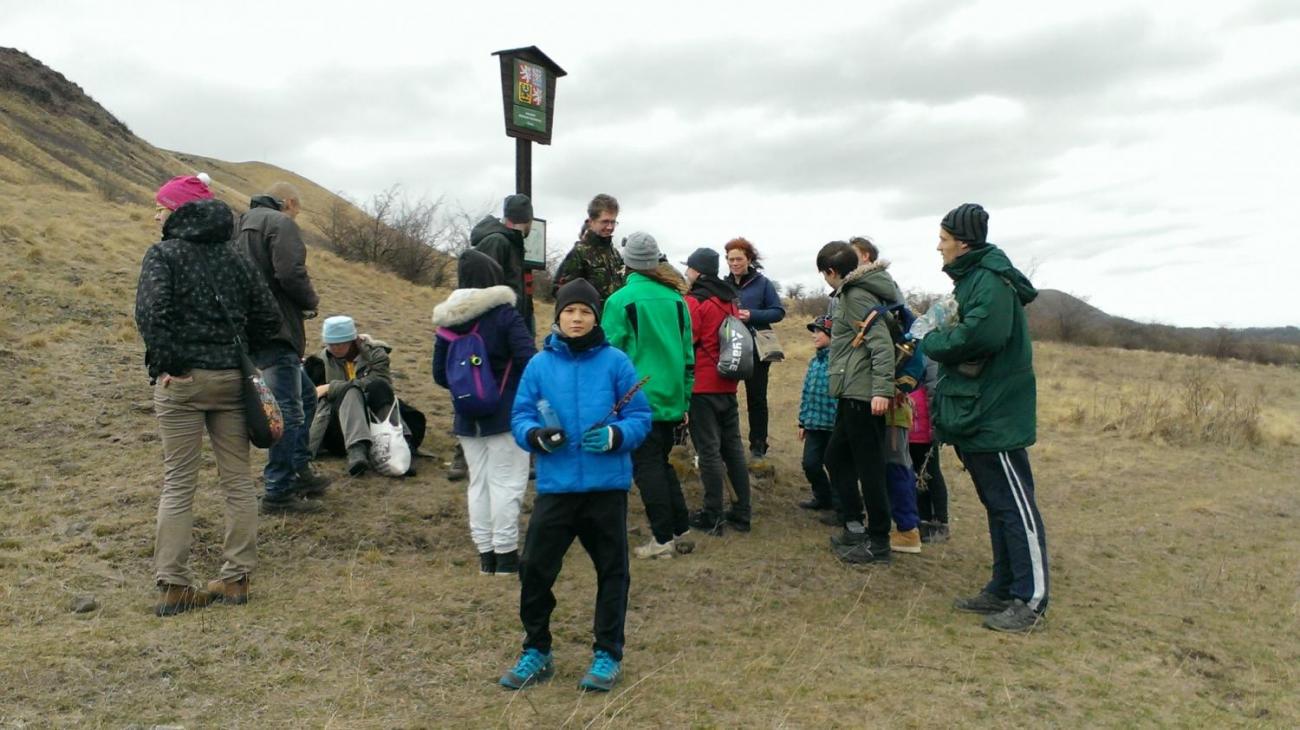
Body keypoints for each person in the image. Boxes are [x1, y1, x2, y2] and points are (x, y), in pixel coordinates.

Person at [135, 175, 281, 616]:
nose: (155, 213)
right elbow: (268, 317)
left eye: (161, 206)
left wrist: (170, 364)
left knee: (179, 482)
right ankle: (237, 579)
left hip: (182, 383)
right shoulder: (234, 257)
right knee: (238, 481)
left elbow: (150, 314)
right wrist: (239, 351)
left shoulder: (163, 254)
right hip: (231, 381)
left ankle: (174, 586)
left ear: (179, 210)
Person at [501, 279, 651, 692]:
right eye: (570, 311)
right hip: (558, 486)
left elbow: (640, 417)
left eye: (585, 311)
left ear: (596, 317)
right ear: (558, 316)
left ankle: (607, 654)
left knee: (613, 572)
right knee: (533, 568)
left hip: (606, 487)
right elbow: (520, 415)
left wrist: (615, 436)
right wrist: (534, 435)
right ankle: (538, 650)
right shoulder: (539, 365)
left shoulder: (617, 362)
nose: (577, 318)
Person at [917, 203, 1048, 633]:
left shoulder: (989, 281)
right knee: (997, 504)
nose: (939, 246)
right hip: (977, 409)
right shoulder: (972, 280)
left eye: (943, 238)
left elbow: (981, 335)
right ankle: (1002, 586)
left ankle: (1030, 601)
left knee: (1015, 506)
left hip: (995, 412)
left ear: (963, 241)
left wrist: (934, 340)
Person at [432, 250, 536, 576]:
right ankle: (506, 557)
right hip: (506, 414)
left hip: (466, 417)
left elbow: (439, 374)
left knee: (479, 484)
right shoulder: (504, 314)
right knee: (507, 484)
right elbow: (529, 360)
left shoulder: (448, 320)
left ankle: (486, 556)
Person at [601, 232, 695, 559]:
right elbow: (687, 356)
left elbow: (608, 354)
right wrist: (684, 401)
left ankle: (662, 540)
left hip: (636, 399)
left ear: (626, 262)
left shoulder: (619, 301)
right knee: (661, 462)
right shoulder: (678, 300)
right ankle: (681, 530)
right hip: (672, 397)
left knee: (647, 468)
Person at [236, 182, 326, 513]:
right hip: (277, 329)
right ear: (287, 203)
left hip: (250, 332)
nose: (296, 215)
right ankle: (279, 489)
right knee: (289, 408)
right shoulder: (280, 223)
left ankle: (299, 469)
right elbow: (290, 271)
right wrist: (309, 301)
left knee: (304, 396)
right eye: (297, 209)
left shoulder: (239, 222)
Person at [816, 241, 898, 565]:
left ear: (832, 272)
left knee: (870, 468)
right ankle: (855, 525)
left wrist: (881, 390)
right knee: (836, 457)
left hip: (864, 397)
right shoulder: (853, 294)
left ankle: (878, 541)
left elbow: (881, 345)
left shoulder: (855, 296)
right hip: (851, 392)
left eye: (824, 274)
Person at [681, 248, 752, 535]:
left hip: (702, 385)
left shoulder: (695, 301)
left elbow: (689, 340)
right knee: (732, 448)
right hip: (728, 383)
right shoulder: (728, 300)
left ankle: (713, 514)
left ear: (697, 271)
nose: (687, 273)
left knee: (708, 450)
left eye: (689, 269)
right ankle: (742, 511)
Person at [307, 315, 403, 477]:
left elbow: (381, 384)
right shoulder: (319, 362)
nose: (335, 348)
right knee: (351, 392)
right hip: (337, 426)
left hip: (373, 418)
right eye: (331, 344)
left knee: (355, 390)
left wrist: (331, 387)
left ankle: (367, 449)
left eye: (340, 344)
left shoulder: (375, 356)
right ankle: (356, 451)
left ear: (352, 340)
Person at [724, 238, 786, 460]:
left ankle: (758, 445)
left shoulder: (763, 283)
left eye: (739, 259)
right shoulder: (723, 284)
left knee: (757, 399)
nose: (734, 263)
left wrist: (752, 315)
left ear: (749, 259)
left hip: (758, 349)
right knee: (725, 396)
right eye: (730, 259)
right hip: (730, 347)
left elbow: (778, 311)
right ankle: (726, 443)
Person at [471, 193, 536, 336]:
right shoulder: (497, 242)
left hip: (511, 324)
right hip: (498, 329)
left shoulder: (512, 243)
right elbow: (486, 290)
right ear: (528, 219)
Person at [796, 315, 838, 518]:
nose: (815, 336)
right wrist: (803, 421)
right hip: (813, 425)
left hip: (834, 425)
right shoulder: (814, 362)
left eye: (819, 331)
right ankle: (823, 497)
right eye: (814, 331)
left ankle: (842, 507)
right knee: (810, 464)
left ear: (831, 334)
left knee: (836, 465)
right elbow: (806, 393)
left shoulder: (839, 361)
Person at [553, 194, 625, 299]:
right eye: (605, 222)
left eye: (613, 222)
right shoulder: (579, 253)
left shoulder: (615, 254)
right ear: (591, 222)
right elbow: (560, 290)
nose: (610, 227)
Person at [909, 358, 950, 543]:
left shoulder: (930, 358)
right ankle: (923, 519)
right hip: (909, 429)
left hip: (926, 429)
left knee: (931, 474)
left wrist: (935, 428)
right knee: (918, 476)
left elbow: (936, 393)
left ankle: (940, 522)